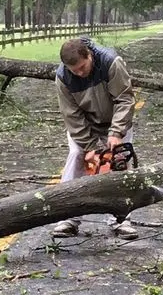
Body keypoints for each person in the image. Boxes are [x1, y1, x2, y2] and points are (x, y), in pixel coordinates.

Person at [53, 36, 138, 240]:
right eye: (75, 71)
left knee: (119, 163)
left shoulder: (111, 63)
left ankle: (121, 218)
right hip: (85, 124)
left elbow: (124, 99)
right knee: (76, 157)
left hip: (115, 120)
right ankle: (68, 218)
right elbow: (72, 115)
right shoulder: (63, 78)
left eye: (83, 67)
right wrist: (90, 147)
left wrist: (116, 132)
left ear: (89, 55)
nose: (80, 73)